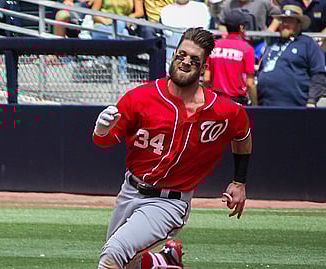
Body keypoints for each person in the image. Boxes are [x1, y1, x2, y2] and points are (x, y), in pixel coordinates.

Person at [93, 27, 252, 269]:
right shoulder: (140, 97)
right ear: (173, 55)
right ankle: (164, 260)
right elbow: (105, 141)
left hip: (169, 202)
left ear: (203, 67)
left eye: (194, 59)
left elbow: (243, 134)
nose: (186, 62)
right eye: (181, 55)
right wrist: (102, 130)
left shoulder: (223, 110)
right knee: (128, 263)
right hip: (130, 190)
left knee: (112, 257)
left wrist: (239, 181)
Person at [257, 4, 326, 107]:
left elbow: (319, 74)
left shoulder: (308, 44)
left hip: (294, 107)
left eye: (290, 21)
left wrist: (311, 100)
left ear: (299, 25)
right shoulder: (272, 44)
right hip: (266, 105)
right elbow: (261, 69)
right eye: (283, 21)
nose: (285, 24)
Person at [204, 9, 257, 105]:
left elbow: (206, 79)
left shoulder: (214, 45)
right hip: (237, 104)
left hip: (215, 102)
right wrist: (256, 105)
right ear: (241, 27)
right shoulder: (247, 49)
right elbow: (250, 83)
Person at [91, 0, 144, 82]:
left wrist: (129, 17)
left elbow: (140, 12)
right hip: (102, 26)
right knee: (122, 34)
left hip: (121, 26)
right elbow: (94, 12)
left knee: (121, 28)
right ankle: (122, 73)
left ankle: (107, 53)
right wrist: (106, 21)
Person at [160, 0, 210, 72]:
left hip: (194, 63)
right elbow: (168, 34)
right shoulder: (166, 10)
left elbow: (202, 32)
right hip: (170, 61)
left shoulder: (201, 8)